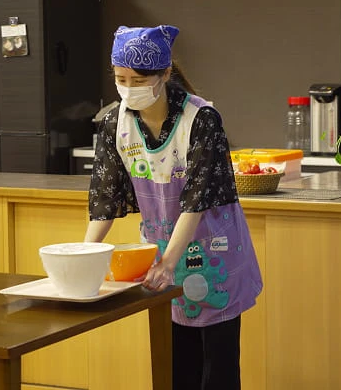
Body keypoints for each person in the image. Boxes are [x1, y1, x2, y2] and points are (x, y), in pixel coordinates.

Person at [85, 25, 262, 390]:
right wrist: (84, 258)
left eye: (138, 79)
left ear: (165, 74)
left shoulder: (201, 120)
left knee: (218, 370)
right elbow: (104, 197)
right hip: (161, 254)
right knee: (175, 366)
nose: (128, 88)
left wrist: (169, 263)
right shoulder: (113, 125)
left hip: (215, 255)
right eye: (121, 79)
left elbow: (195, 201)